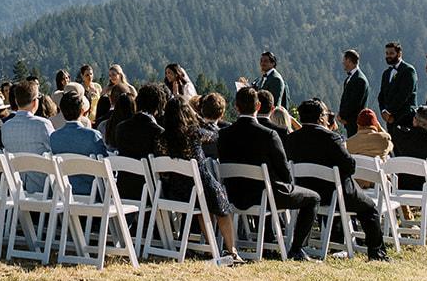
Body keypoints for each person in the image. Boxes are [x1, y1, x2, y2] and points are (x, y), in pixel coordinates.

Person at [217, 86, 318, 260]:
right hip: (264, 194)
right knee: (313, 198)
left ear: (236, 107)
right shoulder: (269, 135)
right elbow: (284, 173)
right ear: (258, 106)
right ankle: (296, 248)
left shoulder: (224, 134)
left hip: (233, 194)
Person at [286, 99, 390, 261]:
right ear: (321, 118)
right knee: (370, 208)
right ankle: (376, 252)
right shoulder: (332, 138)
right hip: (335, 194)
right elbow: (350, 166)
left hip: (306, 194)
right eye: (326, 114)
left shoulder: (291, 139)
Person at [160, 96, 240, 263]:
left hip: (175, 190)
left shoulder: (162, 138)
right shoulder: (194, 133)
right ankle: (232, 250)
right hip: (200, 187)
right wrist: (200, 119)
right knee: (221, 205)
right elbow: (215, 136)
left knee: (205, 208)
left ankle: (213, 247)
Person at [49, 89, 110, 198]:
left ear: (61, 110)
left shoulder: (54, 137)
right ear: (82, 110)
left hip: (64, 193)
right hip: (92, 193)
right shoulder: (93, 136)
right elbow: (105, 168)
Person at [112, 83, 167, 200]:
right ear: (159, 106)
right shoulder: (158, 132)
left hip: (122, 189)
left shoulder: (121, 128)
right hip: (148, 192)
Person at [378, 42, 416, 132]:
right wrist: (383, 111)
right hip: (390, 120)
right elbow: (381, 95)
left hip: (405, 119)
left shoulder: (408, 70)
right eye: (387, 53)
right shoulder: (386, 73)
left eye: (391, 53)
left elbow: (404, 95)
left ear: (399, 54)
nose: (388, 56)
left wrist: (389, 112)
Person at [338, 50, 368, 138]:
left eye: (344, 60)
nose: (343, 63)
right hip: (349, 123)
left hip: (355, 123)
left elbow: (354, 103)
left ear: (349, 61)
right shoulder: (350, 78)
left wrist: (343, 116)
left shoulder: (360, 80)